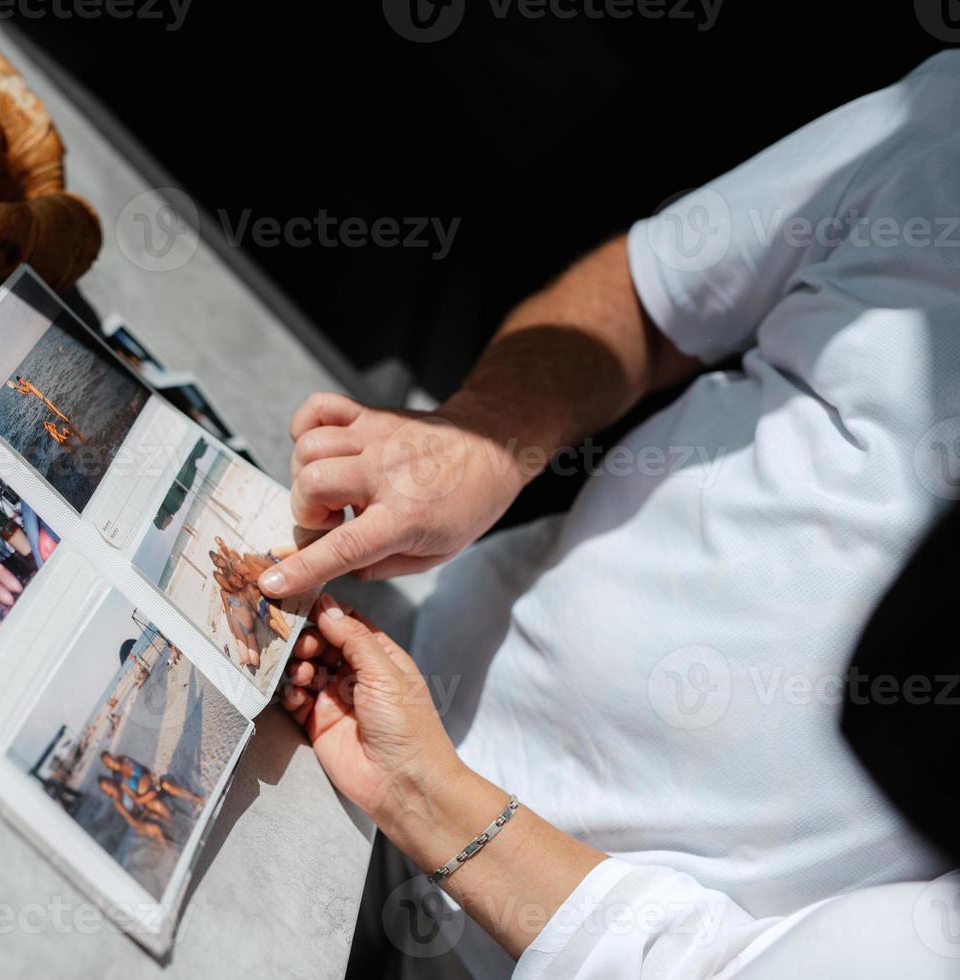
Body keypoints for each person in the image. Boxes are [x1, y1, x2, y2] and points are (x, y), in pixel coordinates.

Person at [270, 54, 960, 979]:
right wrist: (485, 434)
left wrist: (431, 800)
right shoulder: (945, 114)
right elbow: (648, 292)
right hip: (379, 675)